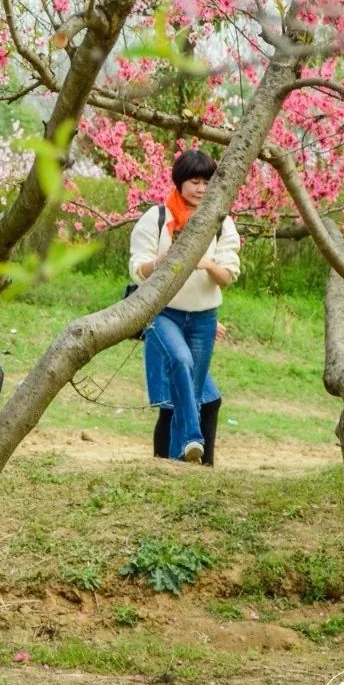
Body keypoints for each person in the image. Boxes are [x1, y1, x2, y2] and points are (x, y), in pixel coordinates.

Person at [128, 150, 240, 464]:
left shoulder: (221, 222)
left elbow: (227, 275)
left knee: (190, 390)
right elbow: (137, 268)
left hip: (203, 318)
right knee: (180, 360)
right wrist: (163, 260)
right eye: (194, 181)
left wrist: (204, 263)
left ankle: (180, 461)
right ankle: (192, 438)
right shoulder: (158, 217)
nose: (201, 188)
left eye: (207, 182)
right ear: (180, 181)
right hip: (163, 312)